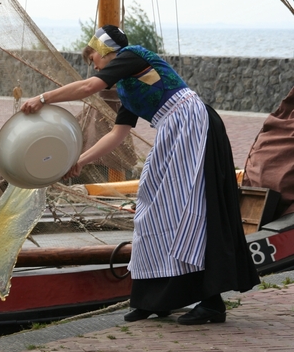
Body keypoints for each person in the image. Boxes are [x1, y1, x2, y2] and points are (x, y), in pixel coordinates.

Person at [21, 25, 260, 325]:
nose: (93, 64)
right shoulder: (125, 85)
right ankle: (155, 300)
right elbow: (117, 134)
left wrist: (43, 98)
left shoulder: (132, 56)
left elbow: (86, 88)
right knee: (150, 211)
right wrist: (80, 161)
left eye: (94, 57)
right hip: (171, 130)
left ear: (106, 52)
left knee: (187, 210)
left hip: (191, 123)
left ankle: (211, 302)